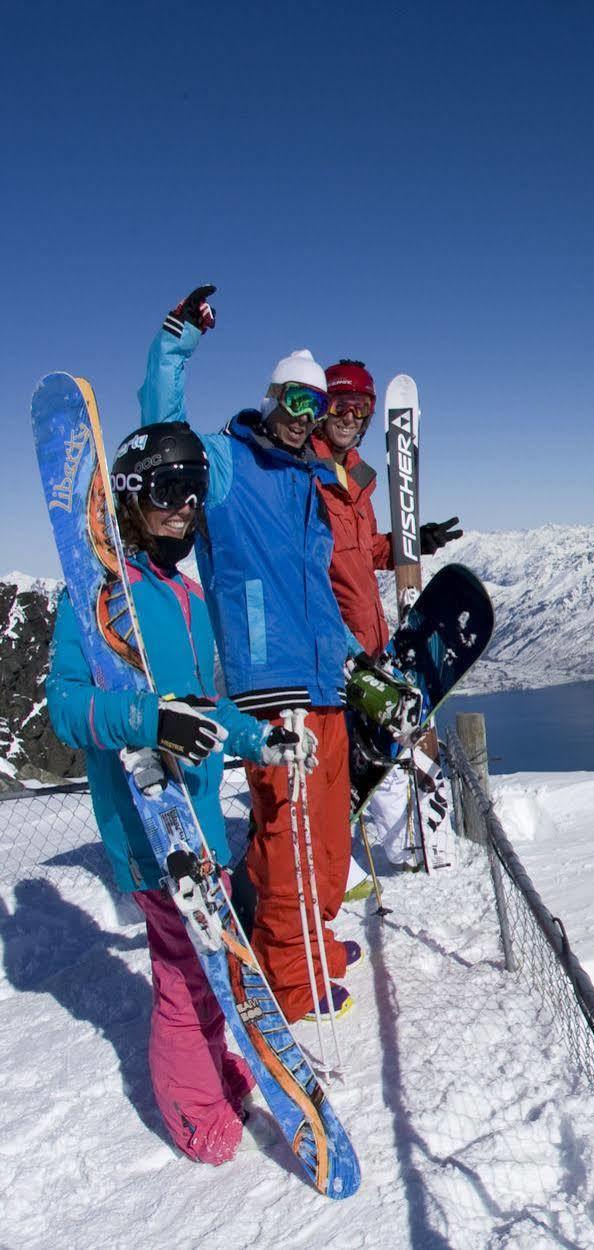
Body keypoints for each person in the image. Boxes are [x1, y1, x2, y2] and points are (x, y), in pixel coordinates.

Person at [45, 420, 313, 1166]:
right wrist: (145, 716)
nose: (182, 507)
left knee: (210, 963)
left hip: (195, 818)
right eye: (166, 489)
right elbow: (67, 705)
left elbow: (200, 705)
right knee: (183, 967)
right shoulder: (98, 597)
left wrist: (261, 738)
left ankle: (217, 1070)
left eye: (193, 493)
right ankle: (194, 1112)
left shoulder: (184, 595)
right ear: (131, 494)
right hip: (147, 823)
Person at [139, 286, 363, 1023]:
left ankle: (314, 945)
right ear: (271, 400)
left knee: (329, 836)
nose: (304, 419)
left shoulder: (307, 483)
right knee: (289, 841)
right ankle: (286, 980)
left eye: (315, 405)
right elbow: (162, 428)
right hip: (269, 686)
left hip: (324, 682)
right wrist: (176, 344)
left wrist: (351, 661)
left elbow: (320, 592)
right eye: (294, 403)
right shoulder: (228, 465)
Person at [309, 359, 461, 655]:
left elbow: (367, 551)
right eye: (340, 406)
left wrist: (412, 542)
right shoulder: (305, 477)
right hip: (332, 648)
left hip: (369, 644)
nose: (349, 417)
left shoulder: (356, 481)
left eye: (360, 408)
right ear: (322, 410)